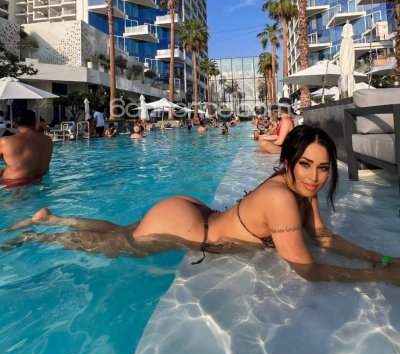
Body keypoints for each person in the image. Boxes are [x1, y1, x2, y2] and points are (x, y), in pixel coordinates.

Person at [4, 125, 400, 286]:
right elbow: (306, 269)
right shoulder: (282, 196)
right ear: (288, 163)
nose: (315, 176)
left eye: (323, 168)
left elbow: (322, 237)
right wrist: (381, 278)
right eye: (306, 165)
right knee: (113, 248)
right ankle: (38, 236)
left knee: (123, 233)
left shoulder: (301, 188)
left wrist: (379, 258)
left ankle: (53, 217)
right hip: (187, 227)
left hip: (193, 214)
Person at [0, 109, 53, 187]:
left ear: (14, 124)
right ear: (34, 122)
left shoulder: (5, 141)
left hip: (13, 184)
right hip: (41, 181)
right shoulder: (48, 140)